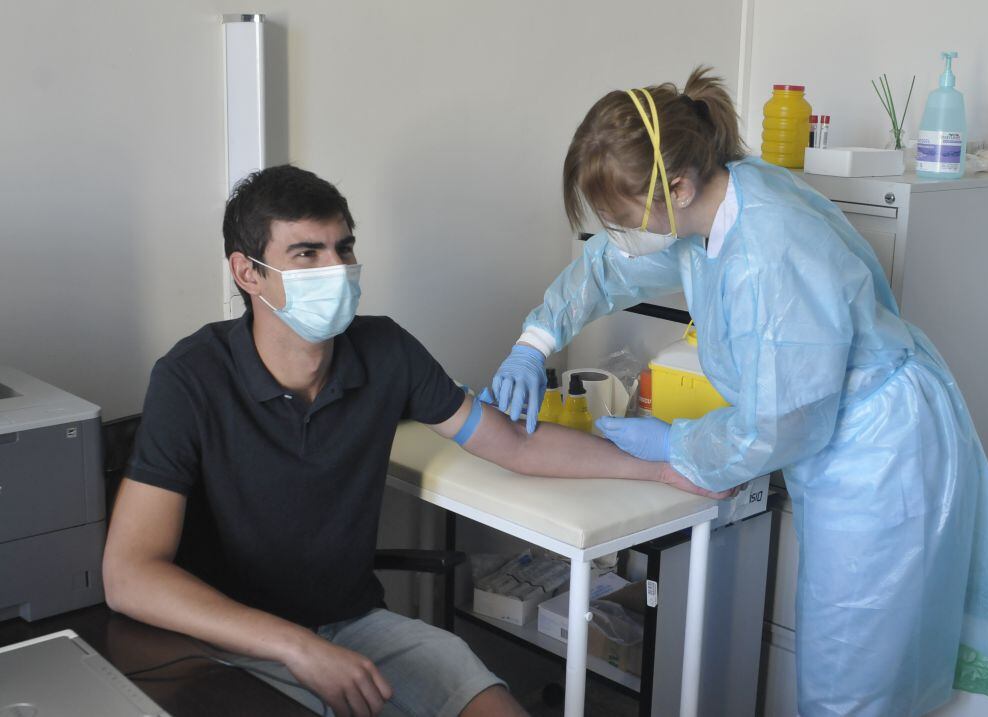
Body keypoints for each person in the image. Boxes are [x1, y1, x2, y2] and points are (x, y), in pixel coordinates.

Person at [102, 165, 734, 717]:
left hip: (354, 626)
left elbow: (511, 446)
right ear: (248, 273)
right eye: (307, 255)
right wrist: (297, 646)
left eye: (344, 249)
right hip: (229, 641)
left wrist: (664, 467)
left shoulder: (384, 351)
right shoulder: (191, 378)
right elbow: (129, 575)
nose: (337, 270)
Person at [490, 68, 988, 717]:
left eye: (622, 219)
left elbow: (778, 422)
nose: (616, 234)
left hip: (880, 454)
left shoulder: (771, 247)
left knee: (850, 683)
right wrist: (535, 339)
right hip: (835, 434)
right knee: (851, 661)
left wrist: (679, 443)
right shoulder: (705, 212)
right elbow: (611, 266)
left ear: (675, 187)